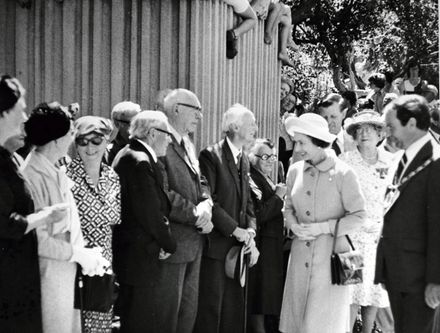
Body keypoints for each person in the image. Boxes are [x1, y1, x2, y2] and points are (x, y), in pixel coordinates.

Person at [22, 102, 108, 333]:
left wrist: (84, 255)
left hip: (64, 274)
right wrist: (77, 253)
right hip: (47, 277)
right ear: (58, 139)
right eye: (71, 133)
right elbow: (39, 240)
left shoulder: (54, 170)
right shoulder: (31, 177)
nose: (72, 139)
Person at [279, 113, 366, 333]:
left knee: (322, 325)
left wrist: (323, 228)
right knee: (297, 322)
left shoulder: (344, 173)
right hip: (299, 258)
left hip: (331, 261)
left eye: (301, 142)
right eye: (295, 142)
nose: (296, 148)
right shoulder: (294, 170)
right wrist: (293, 224)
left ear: (318, 142)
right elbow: (287, 207)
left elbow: (359, 216)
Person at [0, 75, 68, 333]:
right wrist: (43, 217)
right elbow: (5, 223)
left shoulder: (7, 158)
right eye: (20, 109)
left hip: (17, 279)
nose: (24, 117)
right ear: (3, 112)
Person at [375, 94, 440, 333]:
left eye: (392, 126)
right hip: (399, 272)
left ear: (412, 123)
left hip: (420, 278)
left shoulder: (435, 163)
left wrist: (436, 280)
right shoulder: (403, 159)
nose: (387, 133)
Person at [194, 103, 260, 333]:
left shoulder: (244, 159)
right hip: (217, 249)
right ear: (234, 126)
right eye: (251, 123)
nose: (255, 128)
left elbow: (248, 202)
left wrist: (250, 230)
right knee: (211, 311)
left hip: (238, 249)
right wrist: (235, 229)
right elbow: (210, 198)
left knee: (233, 312)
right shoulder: (211, 155)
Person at [112, 111, 177, 333]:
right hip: (139, 258)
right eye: (167, 134)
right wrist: (169, 243)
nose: (169, 139)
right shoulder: (139, 161)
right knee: (140, 321)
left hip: (134, 256)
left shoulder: (129, 154)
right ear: (152, 133)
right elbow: (150, 213)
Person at [156, 89, 213, 333]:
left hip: (194, 243)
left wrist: (207, 204)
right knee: (167, 316)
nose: (200, 116)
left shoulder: (187, 142)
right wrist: (195, 213)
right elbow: (163, 193)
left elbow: (201, 182)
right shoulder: (160, 141)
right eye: (195, 109)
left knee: (187, 315)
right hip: (173, 245)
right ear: (176, 108)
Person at [66, 116, 121, 333]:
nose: (89, 148)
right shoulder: (66, 177)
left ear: (106, 142)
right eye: (82, 141)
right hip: (76, 267)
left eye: (96, 141)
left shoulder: (112, 177)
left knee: (100, 328)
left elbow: (114, 224)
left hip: (104, 269)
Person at [340, 111, 393, 333]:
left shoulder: (390, 162)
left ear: (380, 134)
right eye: (359, 129)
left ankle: (368, 330)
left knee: (374, 293)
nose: (364, 134)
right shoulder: (345, 161)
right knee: (349, 293)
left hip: (378, 238)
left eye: (370, 129)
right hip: (351, 238)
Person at [247, 138, 286, 333]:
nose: (270, 160)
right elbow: (258, 213)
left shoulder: (266, 177)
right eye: (264, 156)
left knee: (267, 293)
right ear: (252, 157)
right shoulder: (251, 178)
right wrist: (278, 196)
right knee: (260, 294)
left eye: (272, 156)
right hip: (262, 244)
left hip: (272, 245)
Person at [106, 101, 141, 165]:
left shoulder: (149, 145)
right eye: (132, 123)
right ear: (117, 124)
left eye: (140, 122)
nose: (138, 127)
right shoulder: (109, 152)